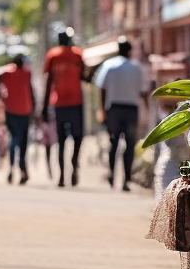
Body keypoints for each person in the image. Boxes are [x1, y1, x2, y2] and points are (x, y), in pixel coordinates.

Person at [94, 37, 147, 191]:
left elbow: (102, 89)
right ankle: (126, 179)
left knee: (114, 143)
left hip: (114, 110)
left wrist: (102, 110)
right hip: (131, 110)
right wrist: (146, 110)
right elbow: (142, 91)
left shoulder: (109, 65)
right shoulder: (136, 68)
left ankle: (112, 174)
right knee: (129, 146)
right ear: (130, 50)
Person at [43, 29, 86, 188]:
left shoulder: (52, 55)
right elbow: (84, 75)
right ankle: (73, 166)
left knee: (61, 141)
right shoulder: (77, 54)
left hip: (59, 104)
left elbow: (48, 82)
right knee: (77, 138)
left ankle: (62, 175)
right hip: (75, 103)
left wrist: (44, 106)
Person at [0, 53, 35, 185]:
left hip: (16, 110)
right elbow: (31, 91)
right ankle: (19, 169)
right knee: (19, 142)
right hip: (21, 111)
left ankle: (16, 169)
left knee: (15, 140)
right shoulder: (16, 71)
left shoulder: (9, 71)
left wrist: (0, 93)